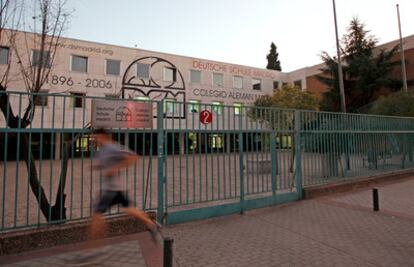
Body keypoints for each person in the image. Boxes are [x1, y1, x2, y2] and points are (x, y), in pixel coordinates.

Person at [88, 128, 161, 248]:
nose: (95, 140)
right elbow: (104, 164)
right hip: (117, 188)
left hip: (111, 189)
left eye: (96, 137)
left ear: (104, 137)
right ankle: (151, 224)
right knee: (129, 209)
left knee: (96, 215)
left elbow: (133, 157)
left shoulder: (112, 147)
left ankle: (92, 249)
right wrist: (97, 167)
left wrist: (116, 168)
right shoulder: (101, 151)